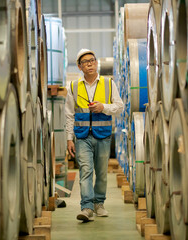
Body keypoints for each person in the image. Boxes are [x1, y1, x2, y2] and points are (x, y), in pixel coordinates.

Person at [65, 49, 124, 222]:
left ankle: (99, 204)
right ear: (79, 66)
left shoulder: (108, 84)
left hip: (103, 136)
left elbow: (119, 107)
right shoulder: (74, 87)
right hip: (82, 136)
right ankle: (87, 207)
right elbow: (69, 114)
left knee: (101, 173)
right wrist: (69, 138)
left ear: (96, 63)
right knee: (85, 171)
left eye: (92, 60)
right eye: (85, 62)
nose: (90, 64)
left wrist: (103, 107)